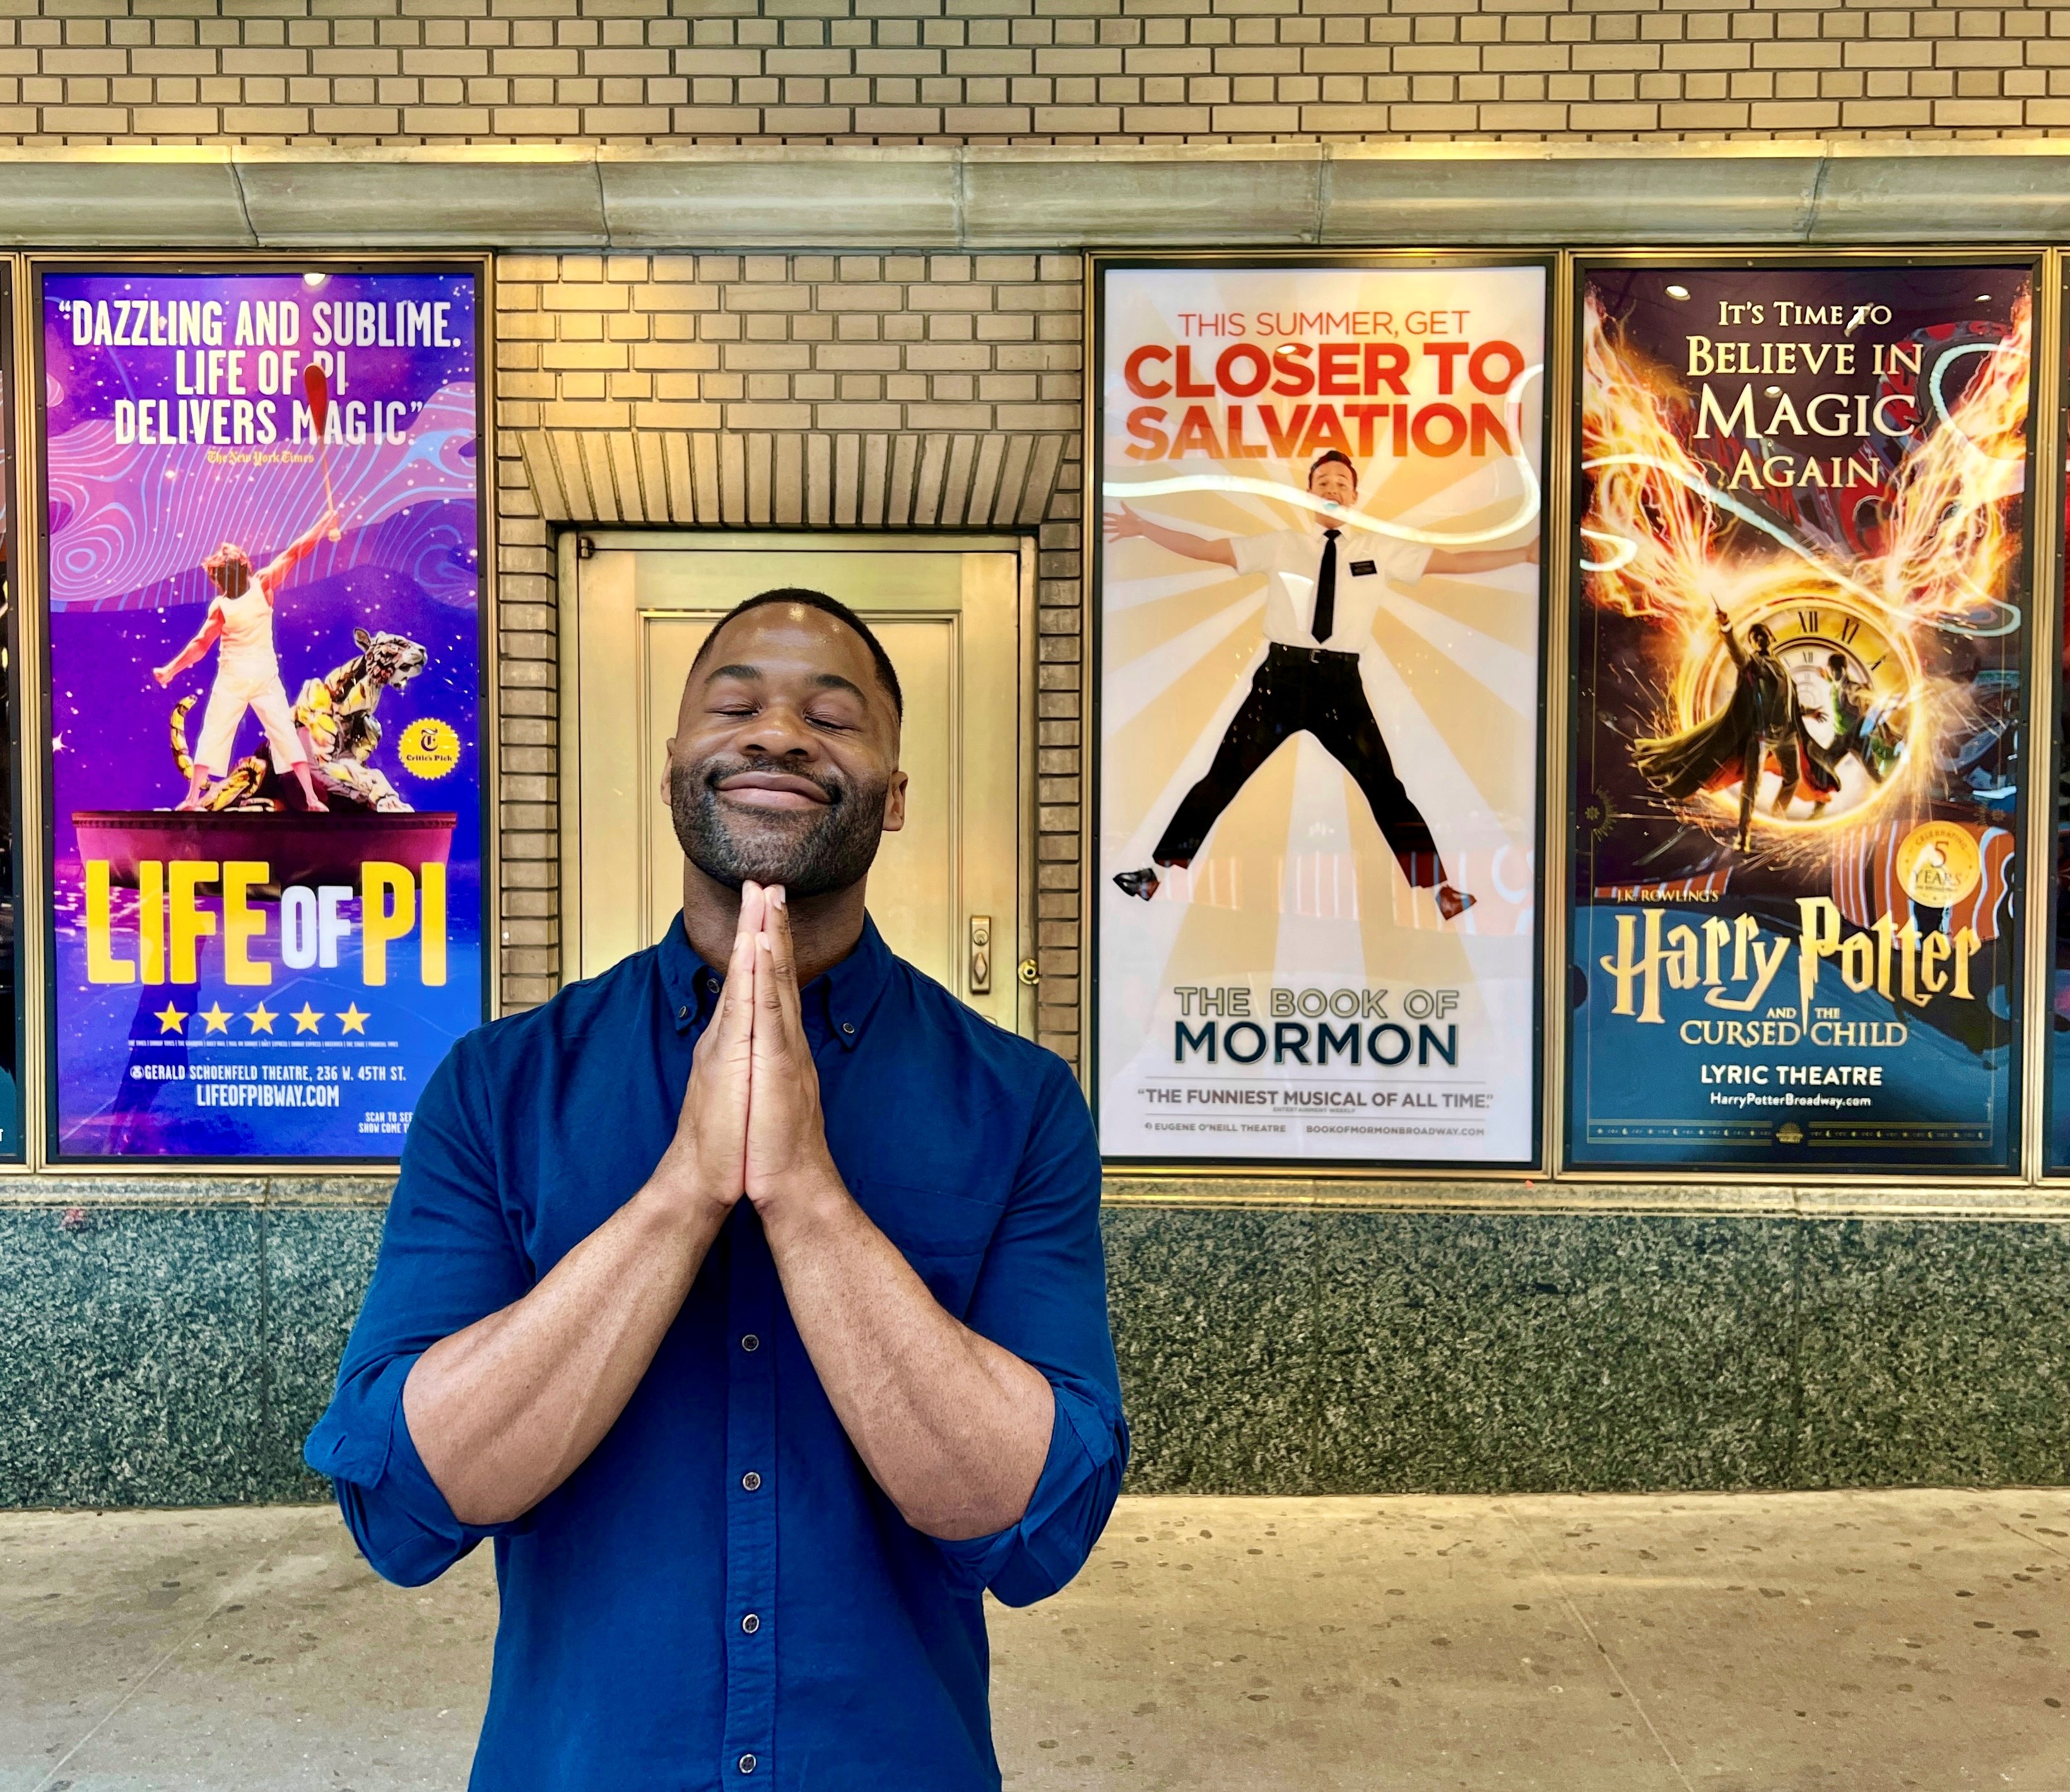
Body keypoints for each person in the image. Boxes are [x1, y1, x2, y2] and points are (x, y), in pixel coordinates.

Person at [306, 589, 1126, 1791]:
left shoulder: (1019, 1106)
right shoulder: (500, 1087)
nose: (780, 734)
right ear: (675, 769)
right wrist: (681, 1193)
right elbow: (411, 1504)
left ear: (895, 799)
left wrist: (808, 1201)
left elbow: (1034, 1524)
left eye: (833, 719)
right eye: (735, 704)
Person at [1105, 449, 1537, 920]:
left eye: (1341, 483)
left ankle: (1441, 891)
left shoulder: (1378, 549)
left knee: (1384, 786)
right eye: (1322, 482)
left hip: (1340, 684)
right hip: (1279, 680)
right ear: (1307, 493)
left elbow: (1451, 561)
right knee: (1222, 776)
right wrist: (1146, 529)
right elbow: (1207, 548)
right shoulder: (1279, 544)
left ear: (1354, 496)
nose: (1332, 488)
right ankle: (1155, 874)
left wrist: (1522, 554)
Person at [153, 507, 340, 812]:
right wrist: (323, 523)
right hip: (263, 675)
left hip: (236, 677)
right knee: (283, 731)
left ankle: (191, 800)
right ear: (244, 567)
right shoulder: (263, 583)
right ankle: (311, 798)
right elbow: (296, 552)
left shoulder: (222, 606)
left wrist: (170, 670)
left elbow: (201, 645)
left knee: (216, 731)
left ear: (218, 578)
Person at [1632, 603, 1825, 852]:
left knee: (1793, 777)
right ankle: (1743, 835)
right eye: (1755, 638)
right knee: (1751, 786)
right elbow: (1737, 652)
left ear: (1771, 638)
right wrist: (1727, 628)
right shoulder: (1754, 665)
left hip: (1786, 735)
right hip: (1762, 736)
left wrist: (1811, 712)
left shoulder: (1783, 672)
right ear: (1754, 644)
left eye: (1763, 634)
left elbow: (1790, 704)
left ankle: (1778, 816)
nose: (1760, 639)